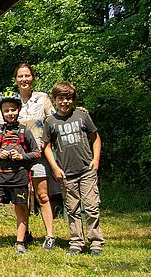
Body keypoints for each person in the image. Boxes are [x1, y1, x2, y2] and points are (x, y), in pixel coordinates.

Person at [42, 82, 104, 256]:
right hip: (66, 173)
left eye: (68, 98)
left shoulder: (82, 116)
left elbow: (96, 138)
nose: (64, 102)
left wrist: (96, 159)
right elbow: (46, 146)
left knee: (92, 207)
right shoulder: (51, 121)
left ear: (73, 100)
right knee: (72, 209)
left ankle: (96, 243)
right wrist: (54, 167)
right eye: (60, 98)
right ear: (54, 100)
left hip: (86, 170)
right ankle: (76, 242)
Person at [0, 92, 41, 254]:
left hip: (19, 177)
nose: (10, 113)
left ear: (18, 110)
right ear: (2, 112)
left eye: (13, 110)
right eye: (6, 111)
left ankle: (20, 242)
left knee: (20, 208)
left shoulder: (24, 131)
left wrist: (22, 156)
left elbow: (37, 152)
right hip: (0, 178)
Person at [2, 63, 56, 249]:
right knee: (21, 196)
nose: (24, 79)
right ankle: (25, 233)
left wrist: (77, 111)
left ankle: (50, 235)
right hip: (16, 158)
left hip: (37, 154)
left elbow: (55, 120)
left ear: (32, 77)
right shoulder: (11, 101)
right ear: (16, 79)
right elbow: (0, 129)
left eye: (27, 75)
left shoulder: (42, 98)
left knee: (42, 195)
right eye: (20, 76)